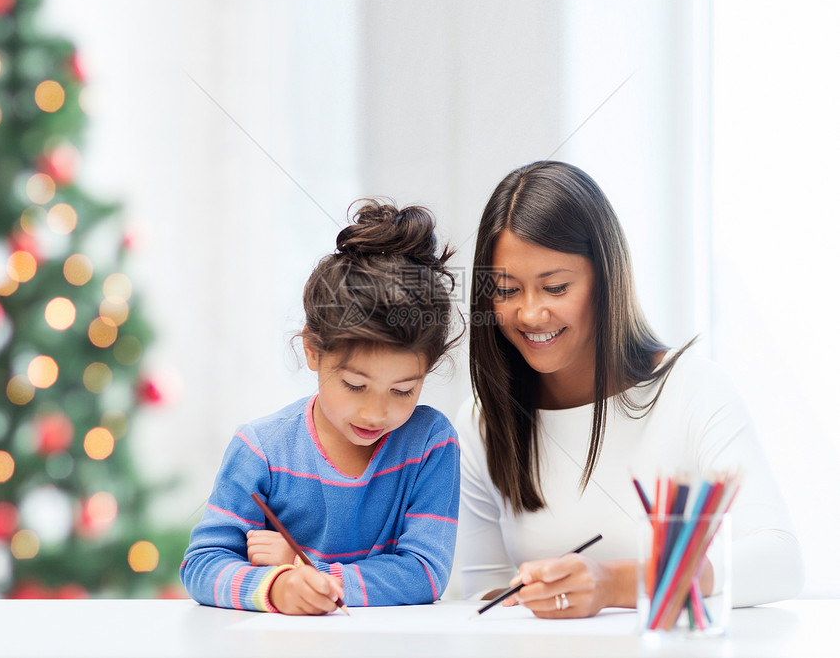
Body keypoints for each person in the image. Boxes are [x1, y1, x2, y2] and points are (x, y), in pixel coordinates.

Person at [457, 161, 804, 618]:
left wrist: (616, 583)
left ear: (606, 280)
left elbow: (779, 561)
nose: (530, 314)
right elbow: (478, 593)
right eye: (506, 290)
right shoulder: (484, 419)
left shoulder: (691, 390)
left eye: (555, 287)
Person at [181, 199, 461, 614]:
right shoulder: (262, 448)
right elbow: (202, 565)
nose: (374, 413)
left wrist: (309, 569)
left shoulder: (430, 444)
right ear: (313, 352)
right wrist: (276, 586)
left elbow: (424, 573)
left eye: (403, 390)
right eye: (354, 385)